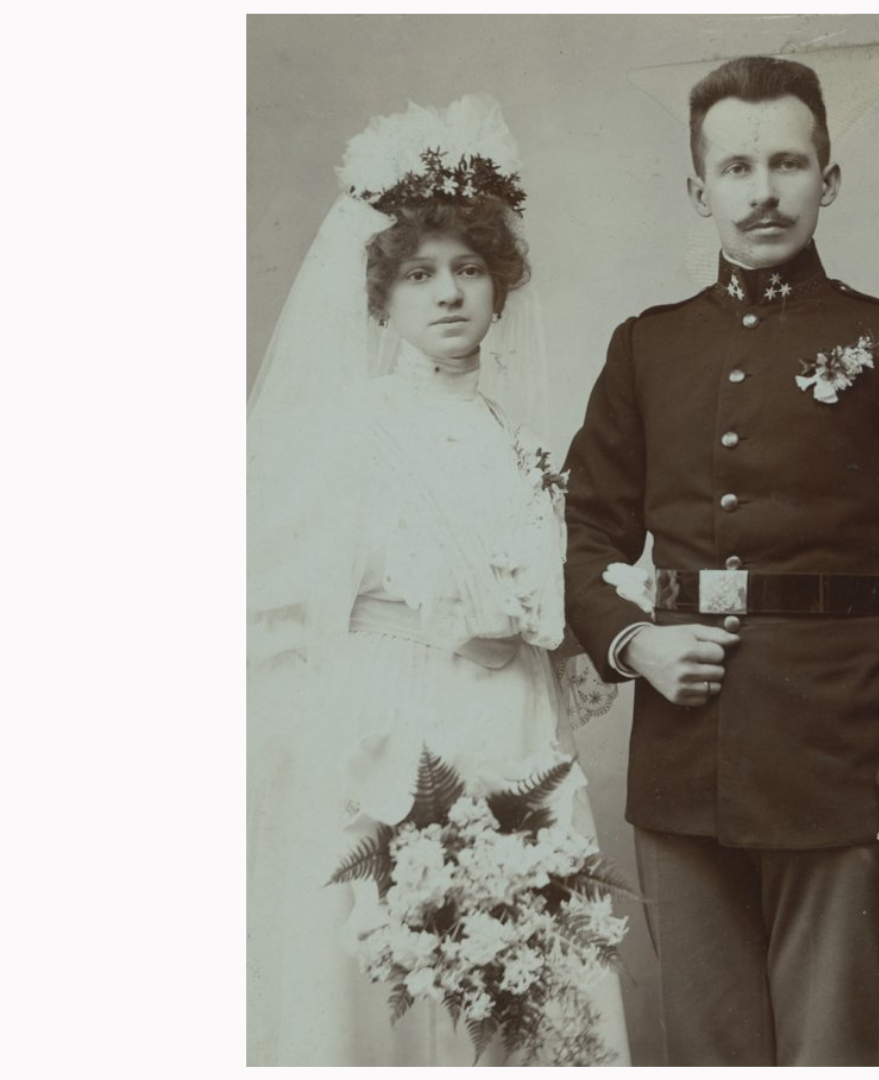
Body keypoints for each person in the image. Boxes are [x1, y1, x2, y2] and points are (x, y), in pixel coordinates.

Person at [562, 56, 879, 1065]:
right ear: (697, 189)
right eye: (738, 167)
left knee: (829, 1047)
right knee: (710, 1050)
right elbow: (586, 540)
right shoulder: (647, 348)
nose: (763, 191)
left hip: (836, 758)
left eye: (788, 164)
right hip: (684, 760)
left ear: (827, 180)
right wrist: (635, 644)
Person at [246, 95, 629, 1066]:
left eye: (469, 270)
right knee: (396, 979)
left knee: (524, 979)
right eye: (419, 274)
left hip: (512, 728)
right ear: (381, 299)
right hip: (390, 726)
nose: (449, 294)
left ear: (500, 287)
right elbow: (280, 607)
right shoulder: (349, 430)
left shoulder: (515, 438)